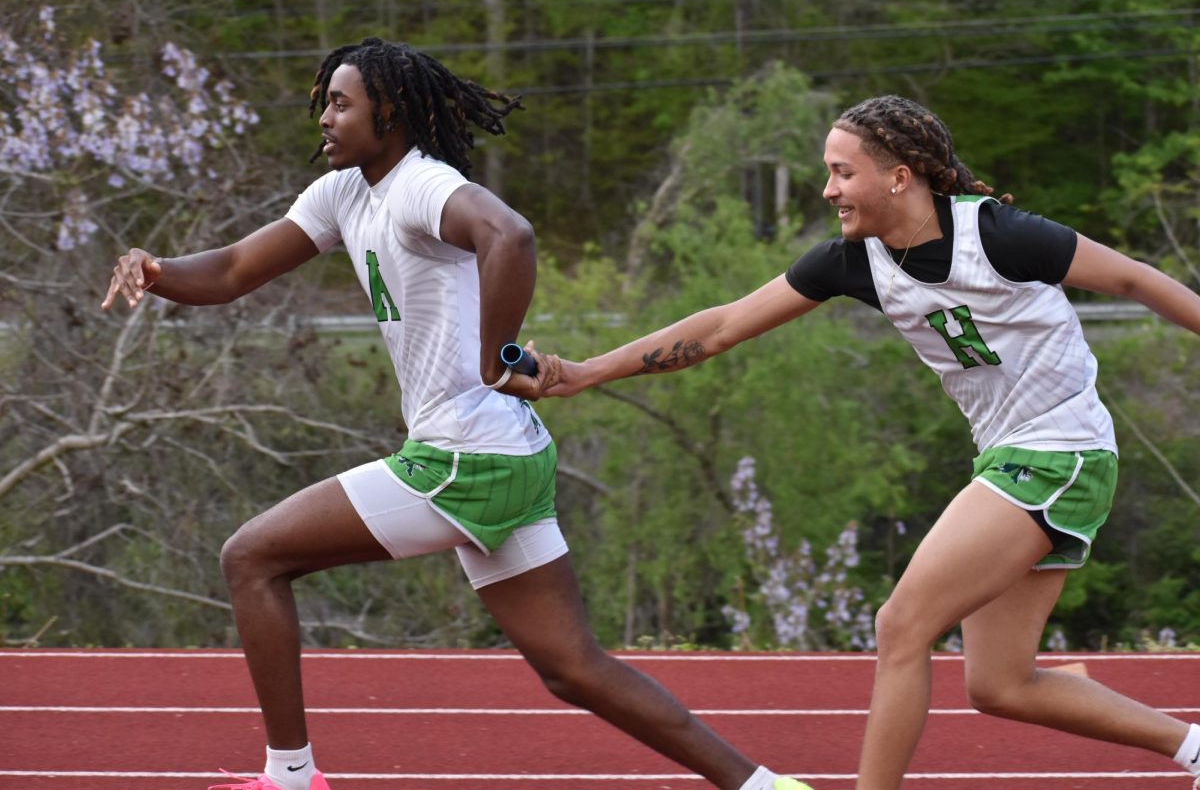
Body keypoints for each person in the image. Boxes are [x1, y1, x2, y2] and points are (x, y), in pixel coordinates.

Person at [100, 38, 807, 790]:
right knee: (573, 669)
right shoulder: (343, 193)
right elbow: (237, 269)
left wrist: (495, 356)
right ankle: (766, 787)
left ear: (392, 112)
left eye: (341, 104)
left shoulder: (420, 184)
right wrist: (159, 271)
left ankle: (289, 776)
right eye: (323, 104)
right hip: (505, 455)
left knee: (251, 557)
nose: (325, 119)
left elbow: (511, 234)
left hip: (465, 456)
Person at [545, 94, 1200, 790]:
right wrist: (583, 373)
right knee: (1001, 685)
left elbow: (1135, 278)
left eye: (841, 172)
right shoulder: (854, 261)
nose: (828, 189)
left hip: (1060, 450)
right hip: (1011, 456)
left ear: (899, 175)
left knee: (901, 626)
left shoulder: (1002, 236)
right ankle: (1193, 747)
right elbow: (721, 327)